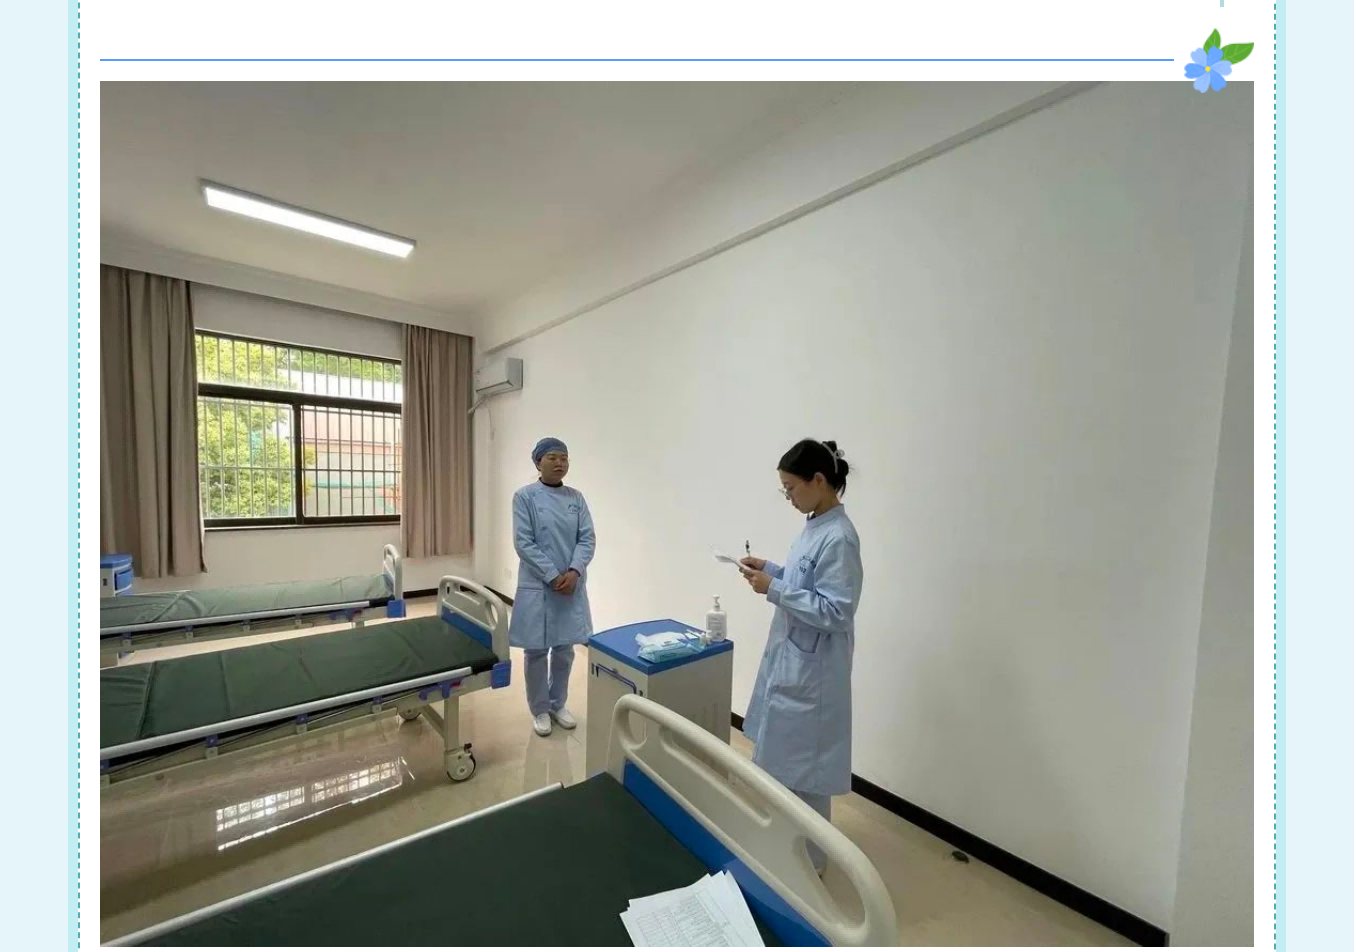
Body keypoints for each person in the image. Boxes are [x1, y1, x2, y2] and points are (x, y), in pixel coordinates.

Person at [739, 439, 863, 874]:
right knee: (785, 766)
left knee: (806, 774)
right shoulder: (815, 526)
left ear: (819, 481)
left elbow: (836, 610)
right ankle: (785, 853)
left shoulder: (840, 537)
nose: (788, 496)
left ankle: (811, 867)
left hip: (815, 672)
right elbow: (805, 582)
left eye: (791, 488)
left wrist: (773, 588)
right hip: (795, 660)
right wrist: (771, 571)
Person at [508, 437, 596, 737]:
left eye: (564, 458)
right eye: (552, 458)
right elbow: (523, 542)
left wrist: (574, 571)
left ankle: (558, 704)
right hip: (538, 584)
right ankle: (540, 709)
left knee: (564, 650)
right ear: (538, 462)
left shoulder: (576, 498)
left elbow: (587, 539)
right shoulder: (525, 497)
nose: (560, 463)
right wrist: (552, 575)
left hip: (570, 585)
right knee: (535, 651)